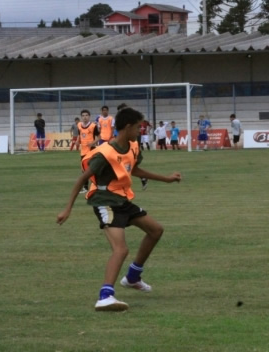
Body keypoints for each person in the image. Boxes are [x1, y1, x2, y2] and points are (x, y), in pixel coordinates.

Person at [56, 107, 182, 312]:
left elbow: (134, 169)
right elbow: (82, 179)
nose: (141, 131)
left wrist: (166, 179)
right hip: (104, 201)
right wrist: (67, 209)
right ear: (127, 127)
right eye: (139, 127)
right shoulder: (104, 153)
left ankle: (132, 277)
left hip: (122, 200)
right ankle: (105, 296)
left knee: (155, 230)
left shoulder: (133, 147)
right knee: (121, 249)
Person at [78, 109, 100, 193]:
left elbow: (99, 137)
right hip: (83, 151)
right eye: (83, 116)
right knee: (83, 170)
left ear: (89, 116)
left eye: (86, 115)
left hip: (91, 151)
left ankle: (96, 185)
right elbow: (80, 134)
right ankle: (86, 187)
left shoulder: (93, 126)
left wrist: (93, 143)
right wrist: (77, 141)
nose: (85, 117)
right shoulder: (79, 125)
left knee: (91, 169)